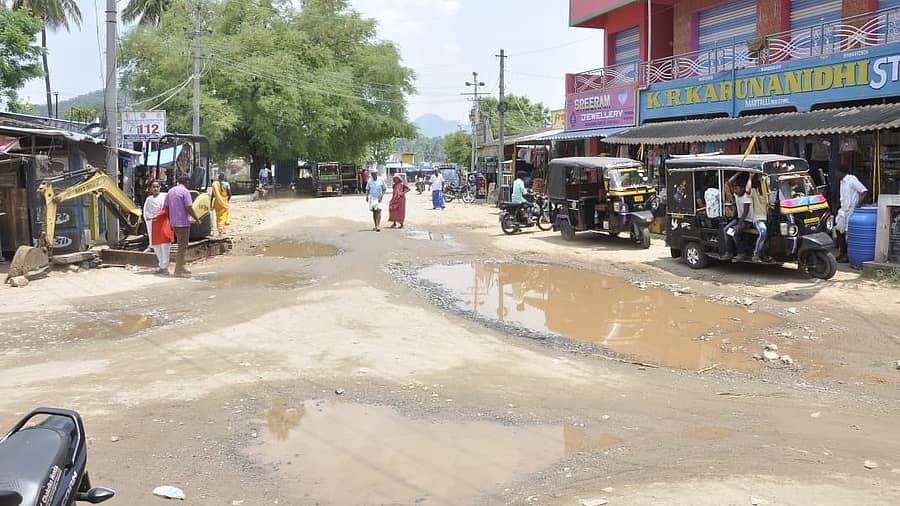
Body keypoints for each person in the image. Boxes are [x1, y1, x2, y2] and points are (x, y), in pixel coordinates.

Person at [166, 176, 201, 277]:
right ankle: (178, 271)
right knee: (182, 247)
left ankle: (182, 266)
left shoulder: (170, 191)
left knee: (181, 245)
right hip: (183, 223)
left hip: (174, 223)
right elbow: (189, 207)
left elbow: (167, 207)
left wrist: (170, 220)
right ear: (186, 182)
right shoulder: (185, 192)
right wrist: (197, 218)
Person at [835, 166, 869, 263]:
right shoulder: (841, 182)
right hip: (843, 210)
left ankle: (849, 255)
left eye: (836, 172)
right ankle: (842, 253)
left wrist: (858, 204)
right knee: (839, 231)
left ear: (841, 172)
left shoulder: (852, 179)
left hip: (852, 211)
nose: (835, 174)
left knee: (849, 234)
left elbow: (864, 191)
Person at [143, 181, 172, 275]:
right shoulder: (149, 199)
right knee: (156, 246)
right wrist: (150, 218)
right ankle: (161, 266)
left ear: (160, 187)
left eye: (157, 186)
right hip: (153, 224)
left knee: (165, 245)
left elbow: (165, 209)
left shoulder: (165, 196)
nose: (156, 188)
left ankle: (165, 267)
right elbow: (145, 212)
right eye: (153, 187)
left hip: (164, 223)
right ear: (150, 188)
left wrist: (155, 216)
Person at [748, 174, 768, 262]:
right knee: (763, 232)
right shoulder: (754, 191)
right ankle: (756, 254)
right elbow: (747, 190)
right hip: (758, 218)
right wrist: (750, 177)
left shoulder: (768, 193)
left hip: (769, 218)